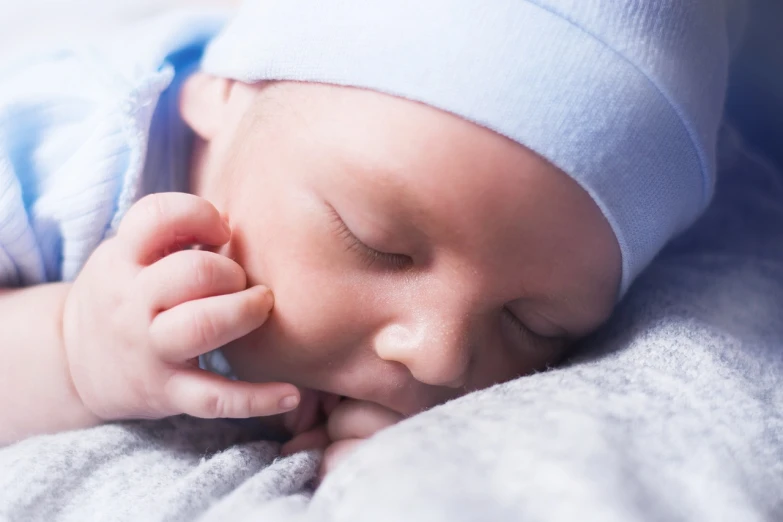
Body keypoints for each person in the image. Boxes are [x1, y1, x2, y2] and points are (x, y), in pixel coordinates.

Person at [0, 0, 736, 478]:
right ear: (226, 93)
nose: (437, 353)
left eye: (532, 324)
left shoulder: (442, 364)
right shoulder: (56, 159)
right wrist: (68, 350)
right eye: (374, 243)